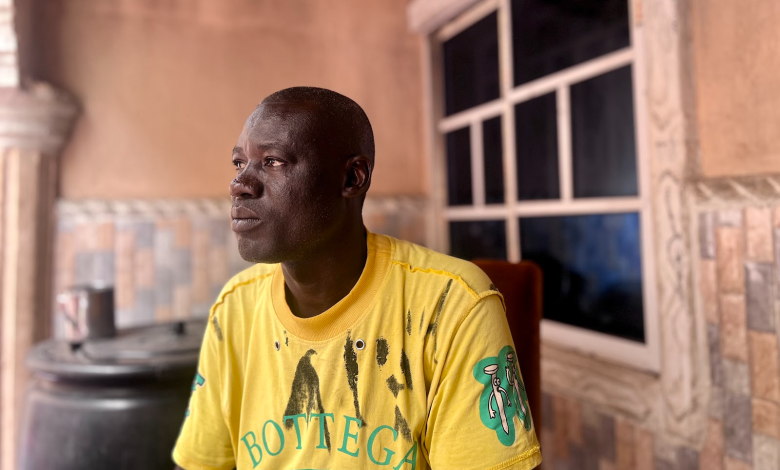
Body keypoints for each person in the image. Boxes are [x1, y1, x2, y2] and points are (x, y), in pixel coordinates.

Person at [172, 87, 542, 470]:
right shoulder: (235, 309)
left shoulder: (453, 306)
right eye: (239, 164)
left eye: (273, 161)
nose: (240, 184)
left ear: (353, 177)